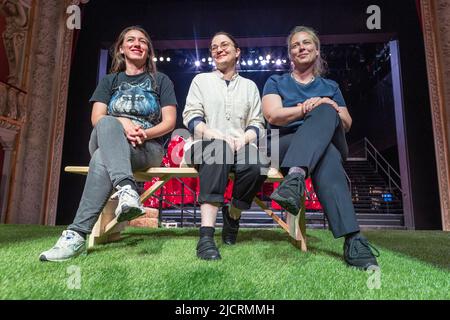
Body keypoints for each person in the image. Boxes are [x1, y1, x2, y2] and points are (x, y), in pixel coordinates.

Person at [40, 26, 177, 262]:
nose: (137, 43)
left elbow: (170, 122)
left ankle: (76, 235)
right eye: (131, 40)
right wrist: (122, 121)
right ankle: (127, 188)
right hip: (108, 137)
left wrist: (143, 133)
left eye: (143, 41)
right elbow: (97, 119)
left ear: (148, 50)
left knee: (101, 158)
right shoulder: (110, 81)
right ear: (121, 49)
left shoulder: (160, 80)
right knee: (108, 123)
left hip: (146, 148)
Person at [262, 26, 379, 269]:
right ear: (290, 54)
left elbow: (346, 123)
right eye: (295, 45)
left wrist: (327, 105)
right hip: (285, 145)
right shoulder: (276, 81)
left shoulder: (330, 86)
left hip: (326, 138)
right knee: (328, 157)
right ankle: (353, 240)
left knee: (326, 110)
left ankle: (294, 178)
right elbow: (273, 116)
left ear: (316, 51)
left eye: (306, 43)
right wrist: (306, 108)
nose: (301, 48)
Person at [182, 31, 268, 260]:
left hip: (239, 146)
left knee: (257, 163)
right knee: (218, 151)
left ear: (237, 52)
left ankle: (233, 215)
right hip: (203, 143)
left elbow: (257, 122)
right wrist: (214, 134)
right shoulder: (201, 80)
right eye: (213, 47)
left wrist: (243, 139)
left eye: (224, 45)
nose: (218, 49)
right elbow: (190, 117)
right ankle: (206, 237)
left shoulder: (250, 86)